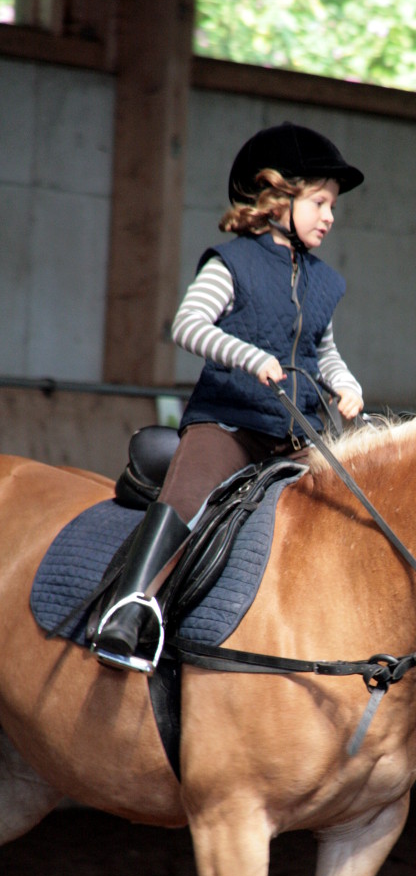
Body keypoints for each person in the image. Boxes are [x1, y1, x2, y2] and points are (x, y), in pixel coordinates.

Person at [91, 121, 365, 672]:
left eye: (332, 205)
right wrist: (249, 356)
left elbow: (323, 350)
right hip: (229, 423)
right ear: (277, 199)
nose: (330, 216)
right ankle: (130, 608)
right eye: (319, 202)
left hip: (291, 432)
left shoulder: (325, 281)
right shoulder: (232, 263)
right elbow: (188, 325)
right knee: (188, 498)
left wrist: (346, 382)